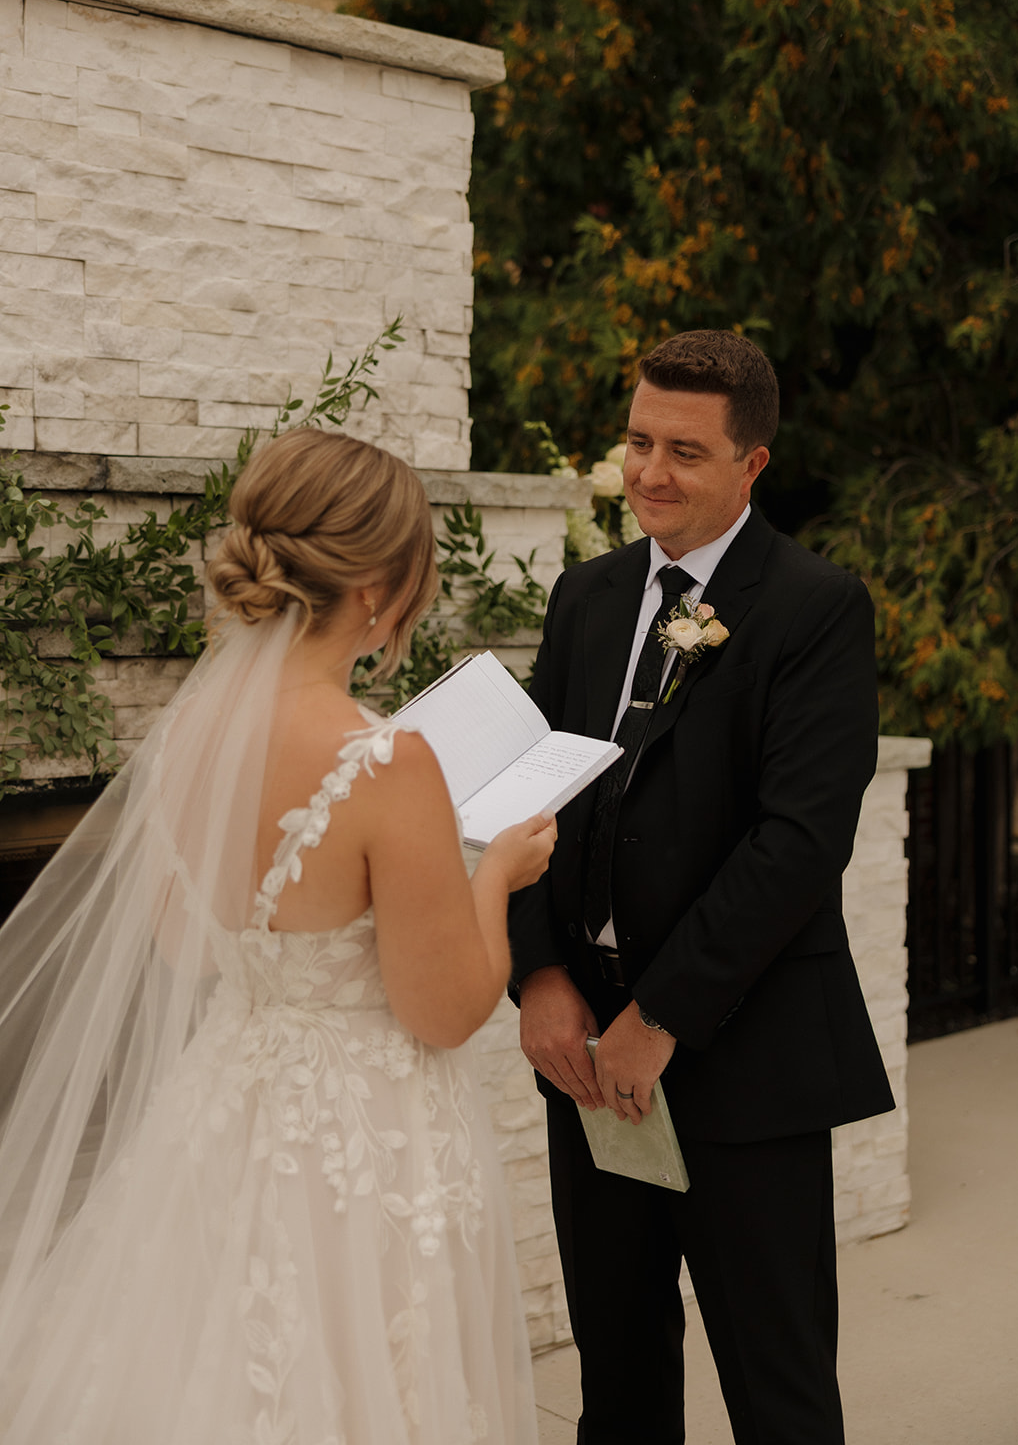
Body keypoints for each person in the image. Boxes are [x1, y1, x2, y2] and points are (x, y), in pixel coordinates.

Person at [0, 427, 555, 1444]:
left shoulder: (189, 732)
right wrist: (497, 879)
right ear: (379, 590)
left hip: (227, 1100)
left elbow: (187, 944)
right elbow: (441, 1009)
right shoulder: (388, 760)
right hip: (365, 1132)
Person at [509, 329, 895, 1445]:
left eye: (683, 449)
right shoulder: (585, 596)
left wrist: (658, 1016)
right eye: (636, 440)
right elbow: (531, 795)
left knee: (776, 1393)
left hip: (744, 1054)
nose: (648, 471)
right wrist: (537, 973)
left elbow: (795, 842)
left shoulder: (816, 606)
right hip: (581, 1052)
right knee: (617, 1383)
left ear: (751, 465)